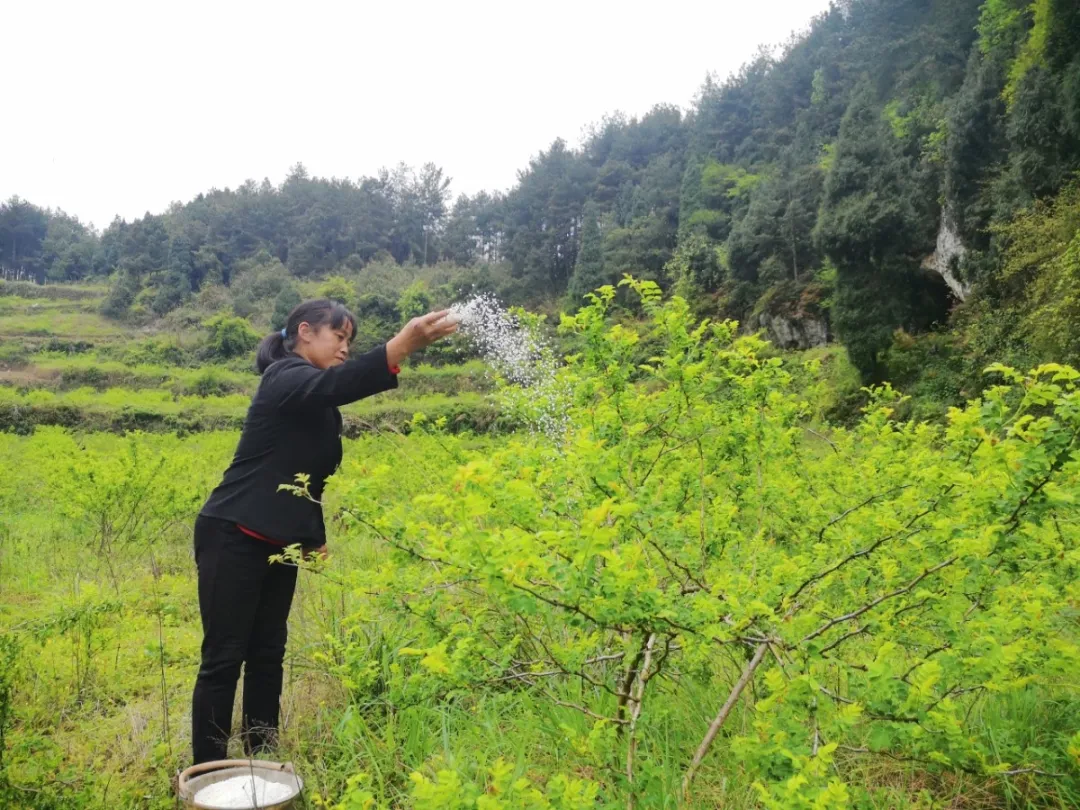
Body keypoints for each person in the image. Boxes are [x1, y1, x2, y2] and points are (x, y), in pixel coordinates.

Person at [190, 298, 457, 764]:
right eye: (340, 337)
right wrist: (402, 345)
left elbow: (306, 481)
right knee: (224, 659)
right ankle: (211, 770)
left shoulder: (316, 402)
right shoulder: (284, 378)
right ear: (306, 332)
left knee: (269, 652)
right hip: (232, 533)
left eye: (351, 342)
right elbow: (336, 385)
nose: (345, 349)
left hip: (277, 543)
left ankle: (262, 760)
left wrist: (311, 537)